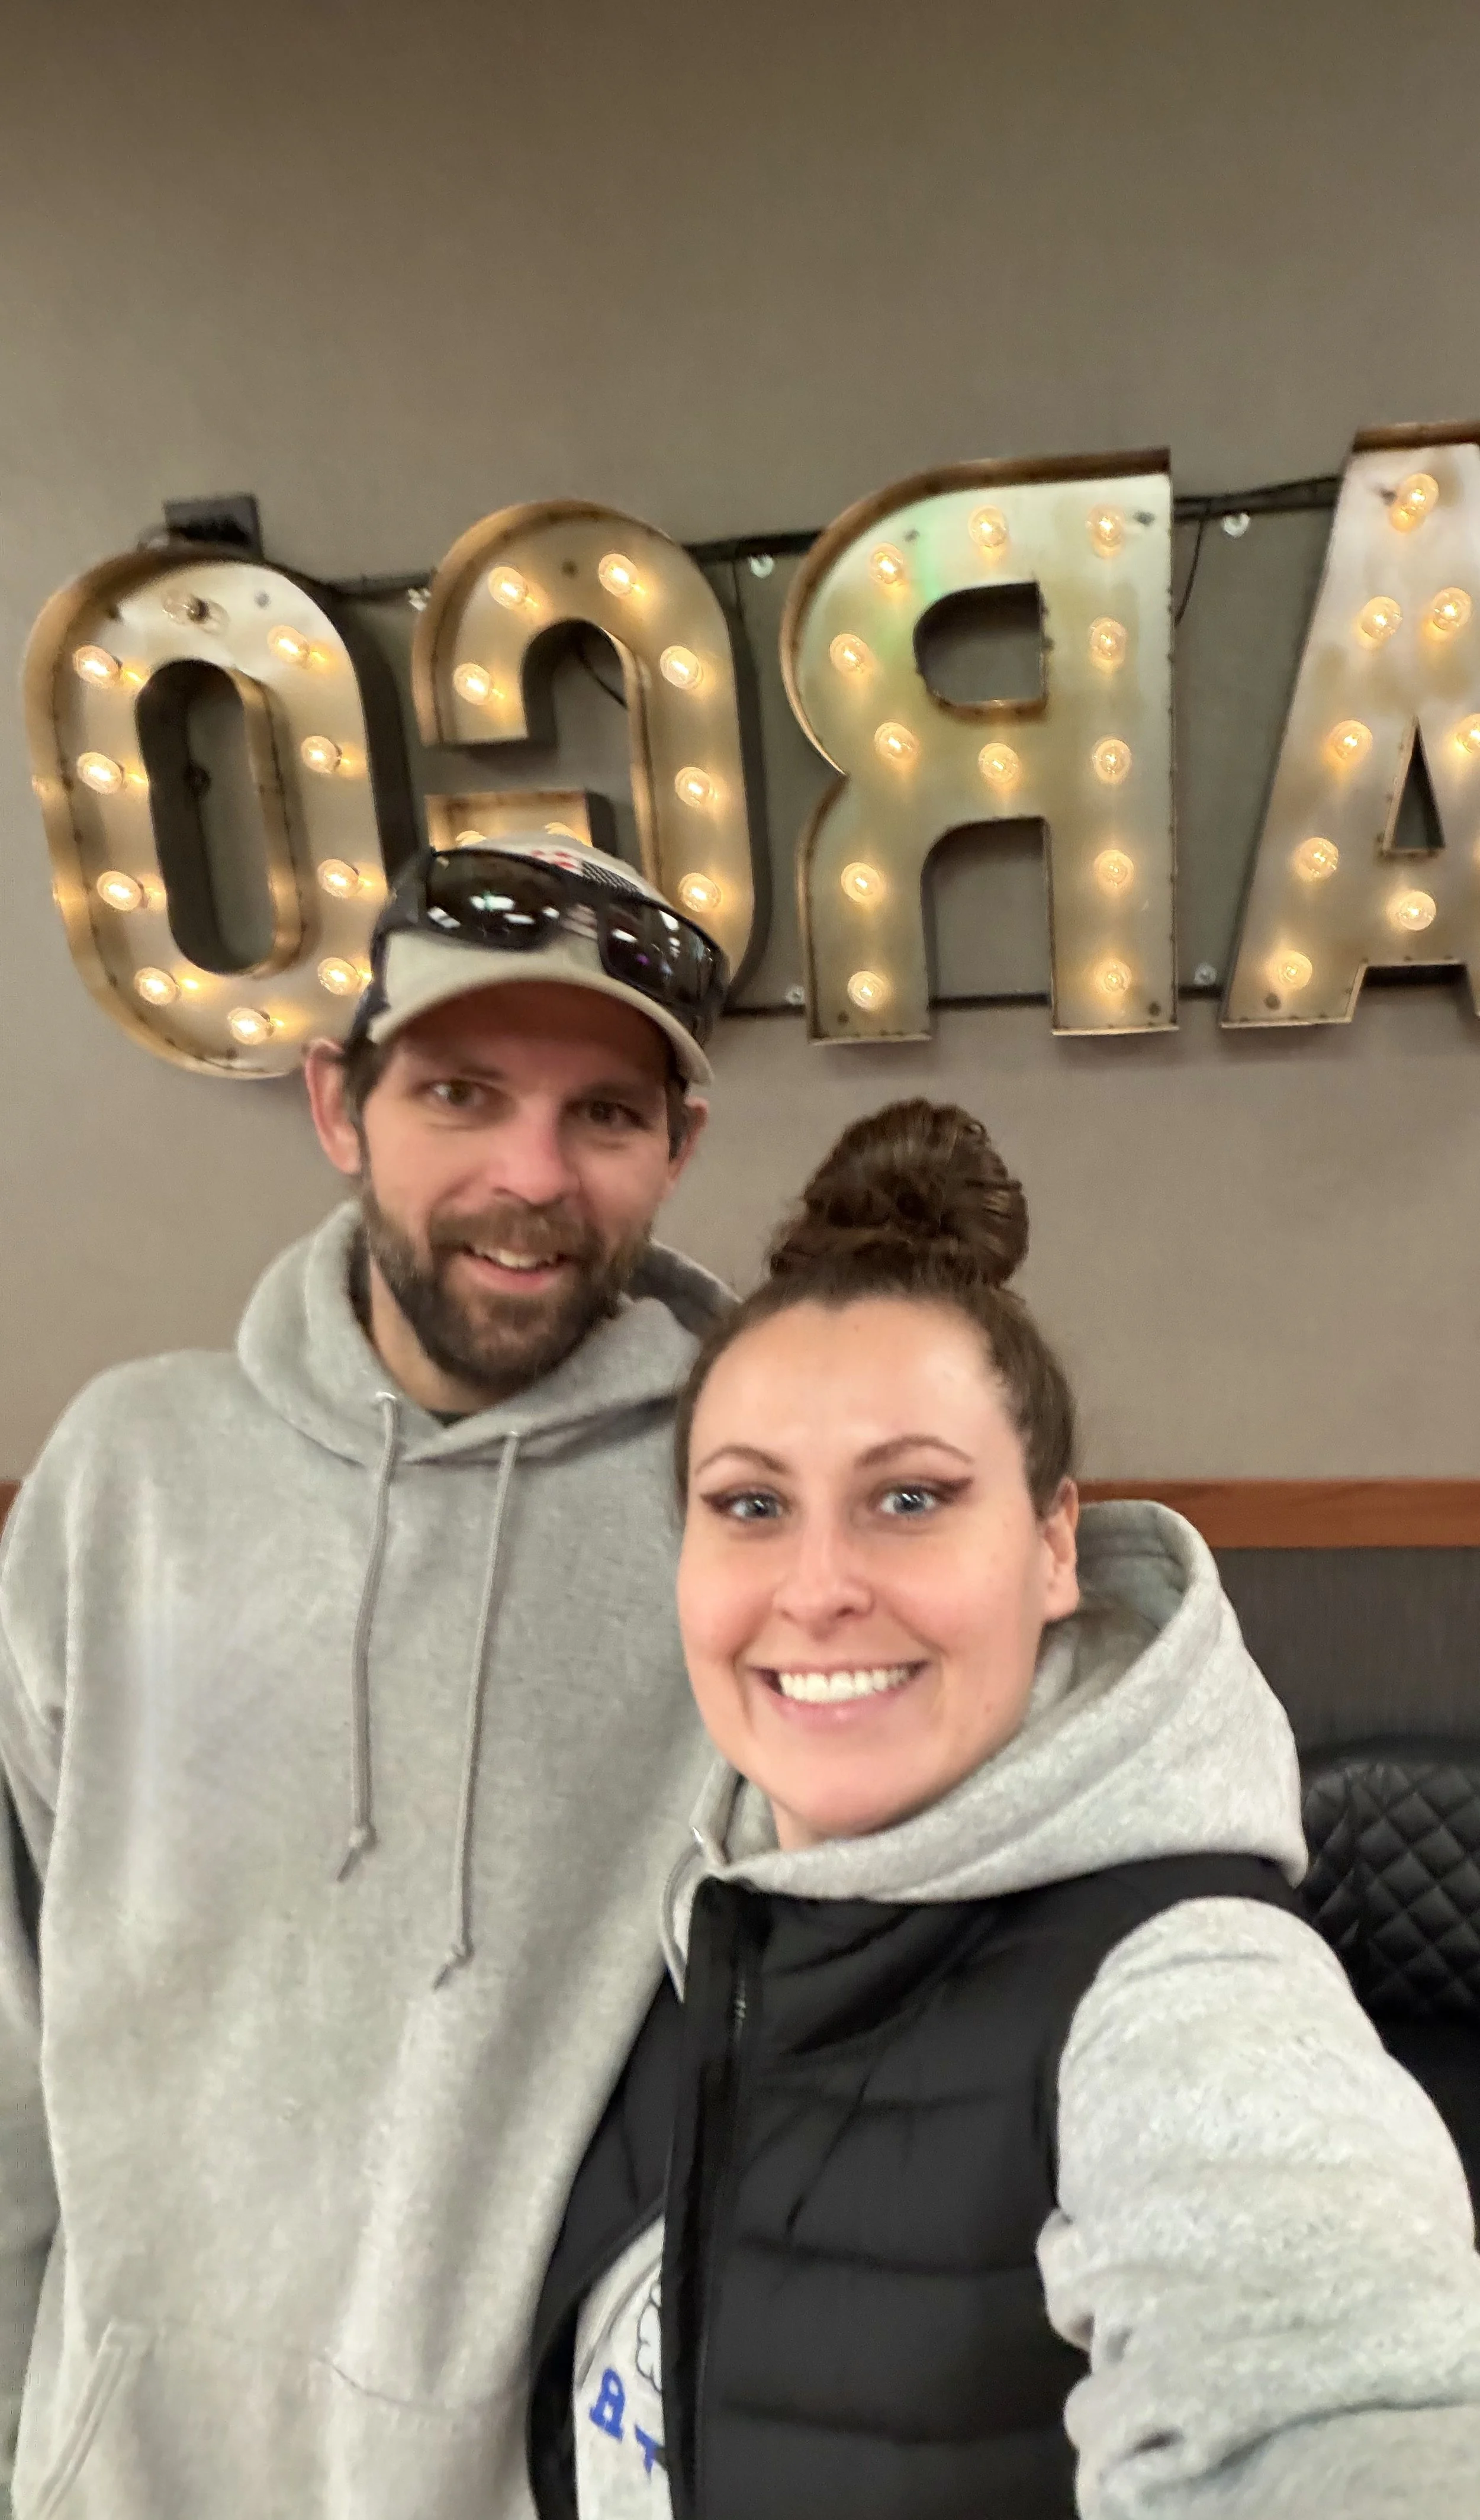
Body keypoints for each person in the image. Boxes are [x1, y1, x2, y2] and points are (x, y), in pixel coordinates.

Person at [530, 1098, 1480, 2520]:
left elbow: (1348, 2417)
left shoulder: (1182, 1982)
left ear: (1051, 1547)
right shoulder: (699, 1908)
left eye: (908, 1498)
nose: (814, 1585)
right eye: (747, 1505)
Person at [0, 836, 733, 2519]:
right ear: (342, 1107)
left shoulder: (754, 1498)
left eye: (604, 1116)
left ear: (677, 1147)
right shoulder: (124, 1478)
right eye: (462, 1095)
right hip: (126, 2474)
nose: (530, 1177)